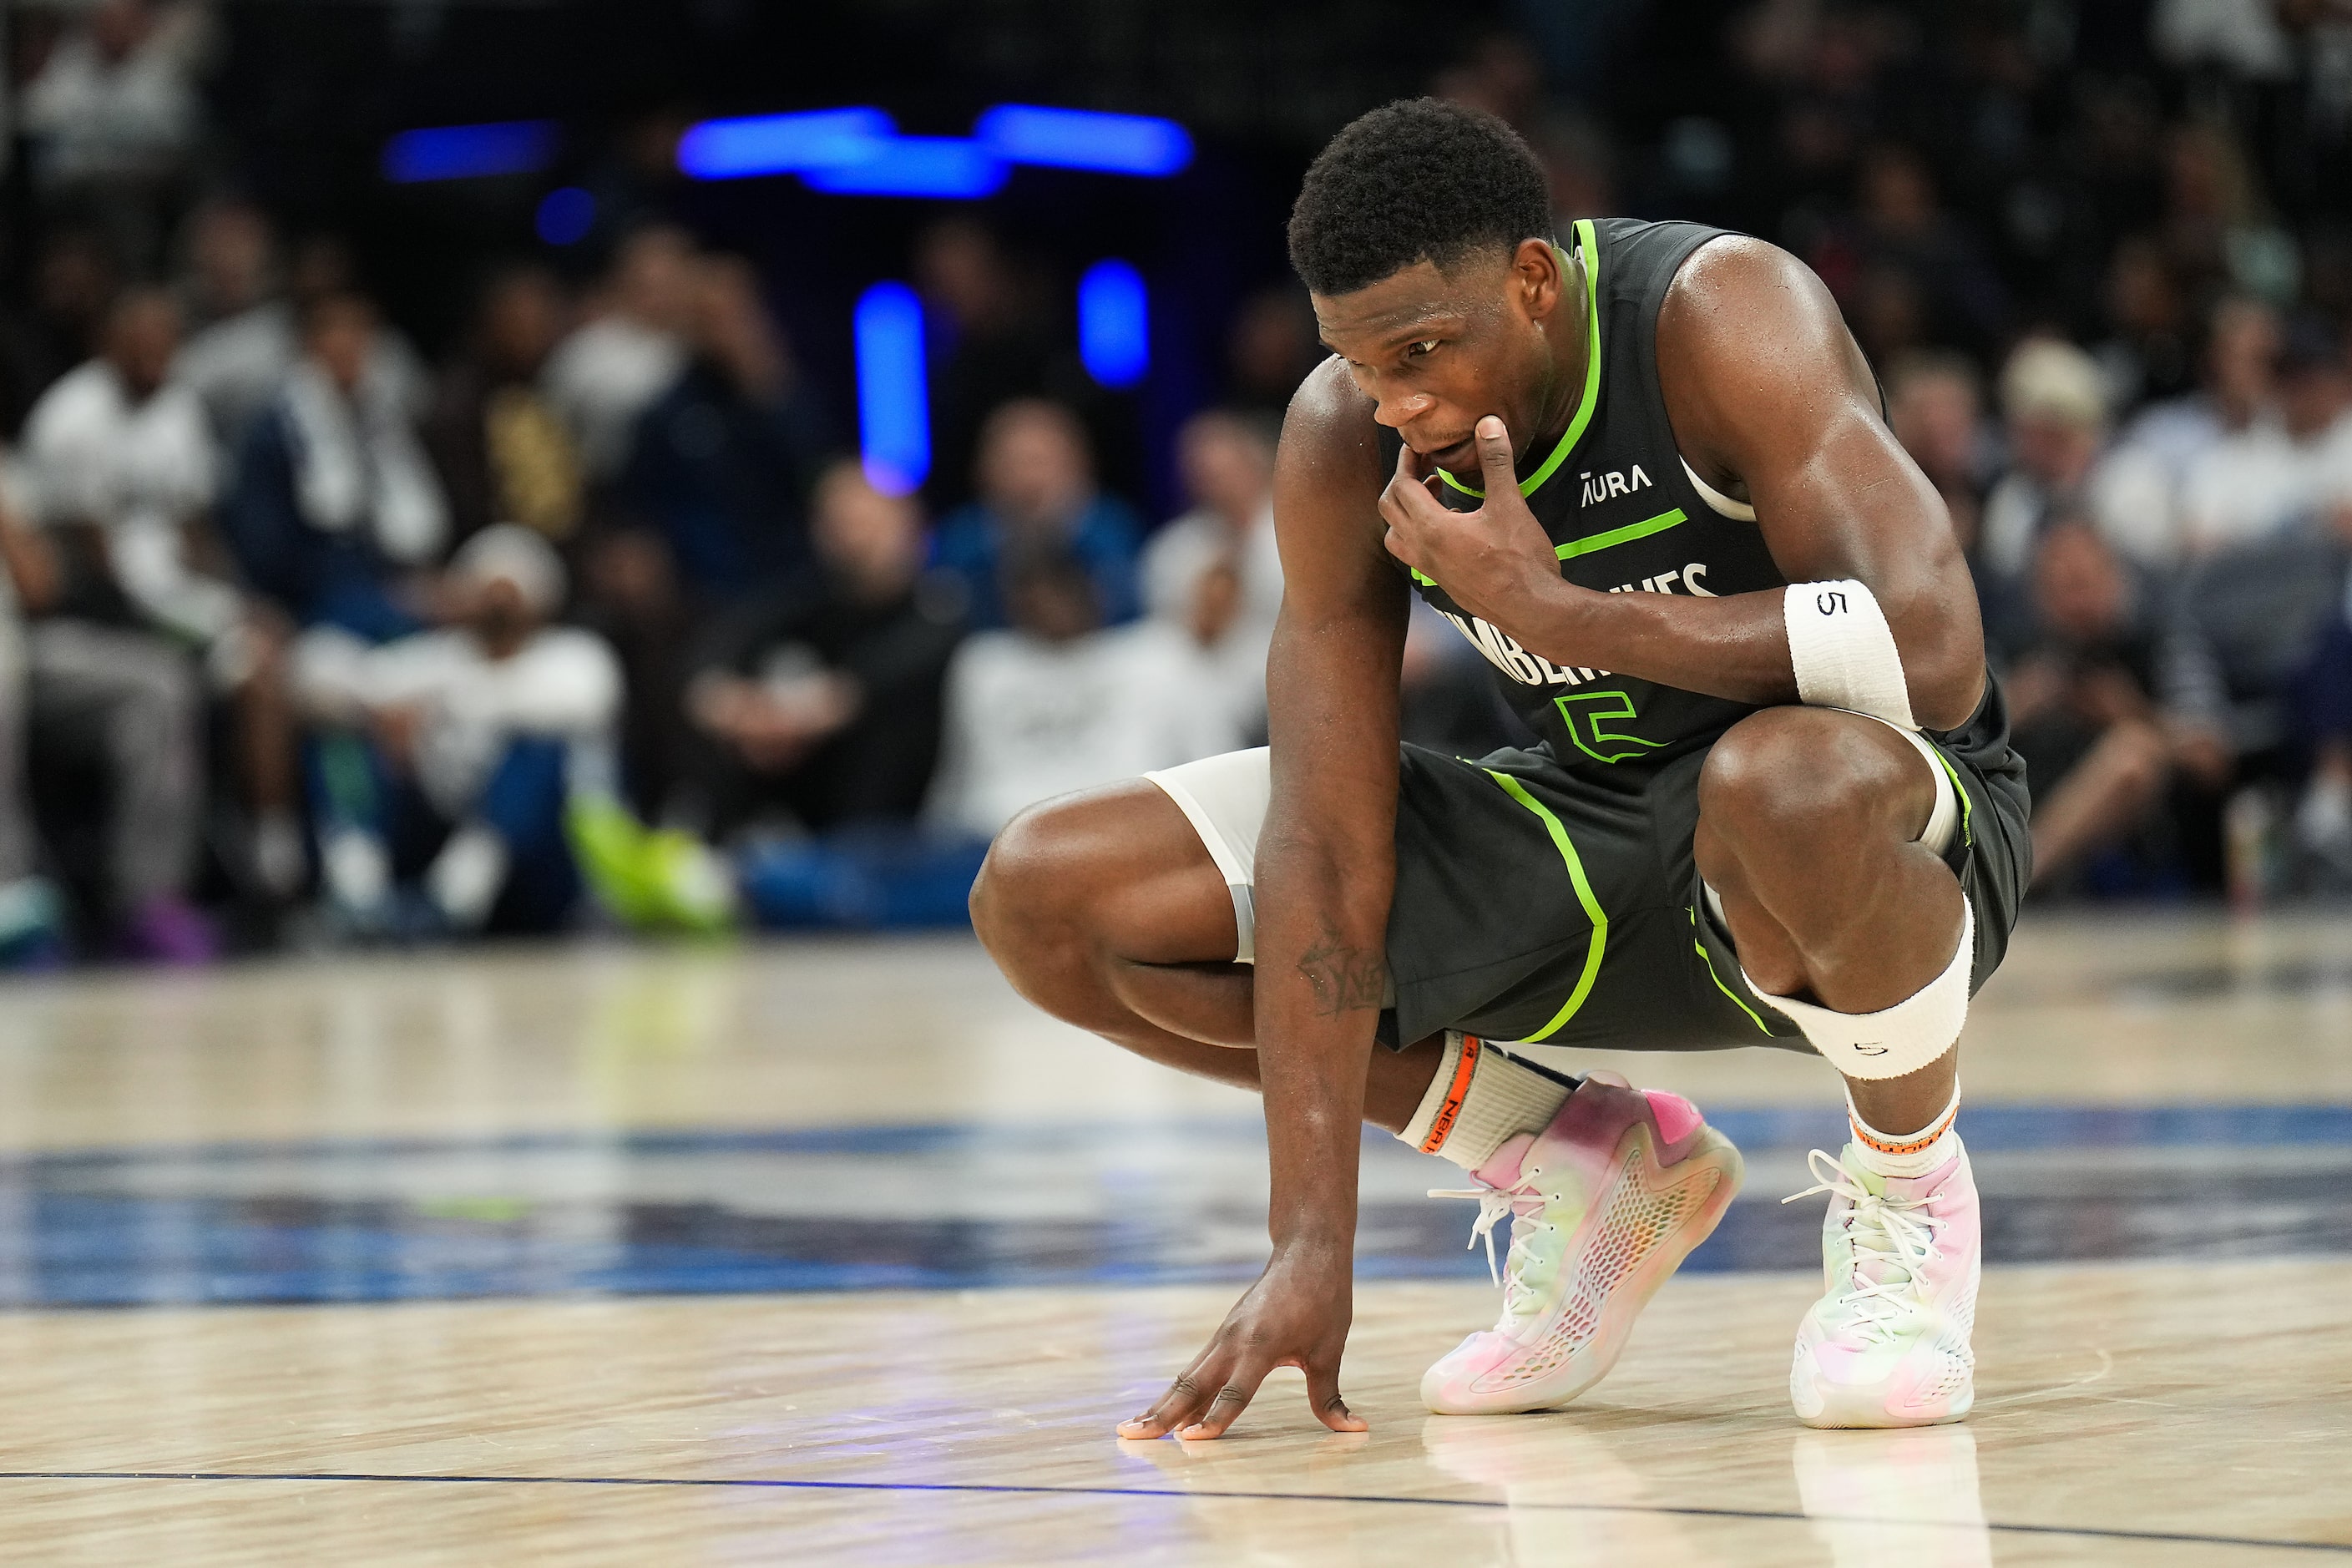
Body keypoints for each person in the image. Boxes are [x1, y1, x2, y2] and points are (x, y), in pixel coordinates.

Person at [970, 100, 2028, 1437]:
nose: (1395, 401)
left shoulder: (1721, 317)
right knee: (1051, 898)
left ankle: (1908, 1181)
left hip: (1871, 835)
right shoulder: (1342, 438)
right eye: (1359, 364)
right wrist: (1309, 1237)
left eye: (1420, 349)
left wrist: (1570, 614)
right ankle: (1579, 1160)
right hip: (1590, 823)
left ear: (1533, 281)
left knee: (1780, 781)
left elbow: (1935, 656)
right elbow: (1326, 842)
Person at [18, 286, 302, 897]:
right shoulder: (70, 419)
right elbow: (89, 573)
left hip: (177, 599)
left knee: (272, 656)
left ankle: (274, 854)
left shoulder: (178, 408)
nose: (156, 359)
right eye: (141, 346)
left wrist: (238, 601)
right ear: (108, 346)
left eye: (166, 346)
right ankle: (221, 880)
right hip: (105, 615)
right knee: (211, 678)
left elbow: (196, 531)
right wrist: (191, 631)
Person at [292, 524, 621, 934]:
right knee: (340, 739)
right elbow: (314, 672)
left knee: (537, 752)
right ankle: (358, 897)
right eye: (487, 592)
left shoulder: (571, 657)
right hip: (437, 835)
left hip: (542, 863)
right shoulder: (440, 659)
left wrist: (439, 711)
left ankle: (456, 901)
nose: (498, 607)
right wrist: (379, 715)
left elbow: (582, 702)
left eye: (511, 594)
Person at [676, 459, 964, 840]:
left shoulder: (940, 611)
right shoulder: (806, 603)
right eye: (840, 523)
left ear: (914, 529)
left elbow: (888, 675)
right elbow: (718, 648)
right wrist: (733, 706)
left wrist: (813, 711)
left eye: (870, 522)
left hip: (904, 822)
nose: (855, 539)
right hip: (795, 809)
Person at [925, 546, 1245, 842]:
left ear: (1093, 589)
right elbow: (954, 782)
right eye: (1031, 593)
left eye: (1060, 588)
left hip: (1128, 840)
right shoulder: (985, 666)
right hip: (995, 843)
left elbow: (1218, 765)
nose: (1047, 603)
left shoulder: (1159, 655)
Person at [222, 290, 449, 643]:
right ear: (310, 347)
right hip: (307, 606)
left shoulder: (380, 420)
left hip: (383, 595)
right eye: (338, 340)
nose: (352, 352)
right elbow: (264, 548)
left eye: (360, 338)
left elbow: (408, 529)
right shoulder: (275, 433)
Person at [930, 399, 1143, 630]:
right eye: (1014, 465)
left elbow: (1130, 608)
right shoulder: (962, 540)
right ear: (983, 471)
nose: (1029, 480)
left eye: (1040, 462)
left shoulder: (1112, 529)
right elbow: (946, 615)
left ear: (1079, 464)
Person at [1142, 410, 1285, 736]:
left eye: (1226, 470)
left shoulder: (1304, 531)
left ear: (1256, 464)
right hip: (1208, 679)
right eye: (1204, 475)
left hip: (1293, 666)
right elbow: (1169, 642)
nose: (1218, 484)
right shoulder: (1174, 549)